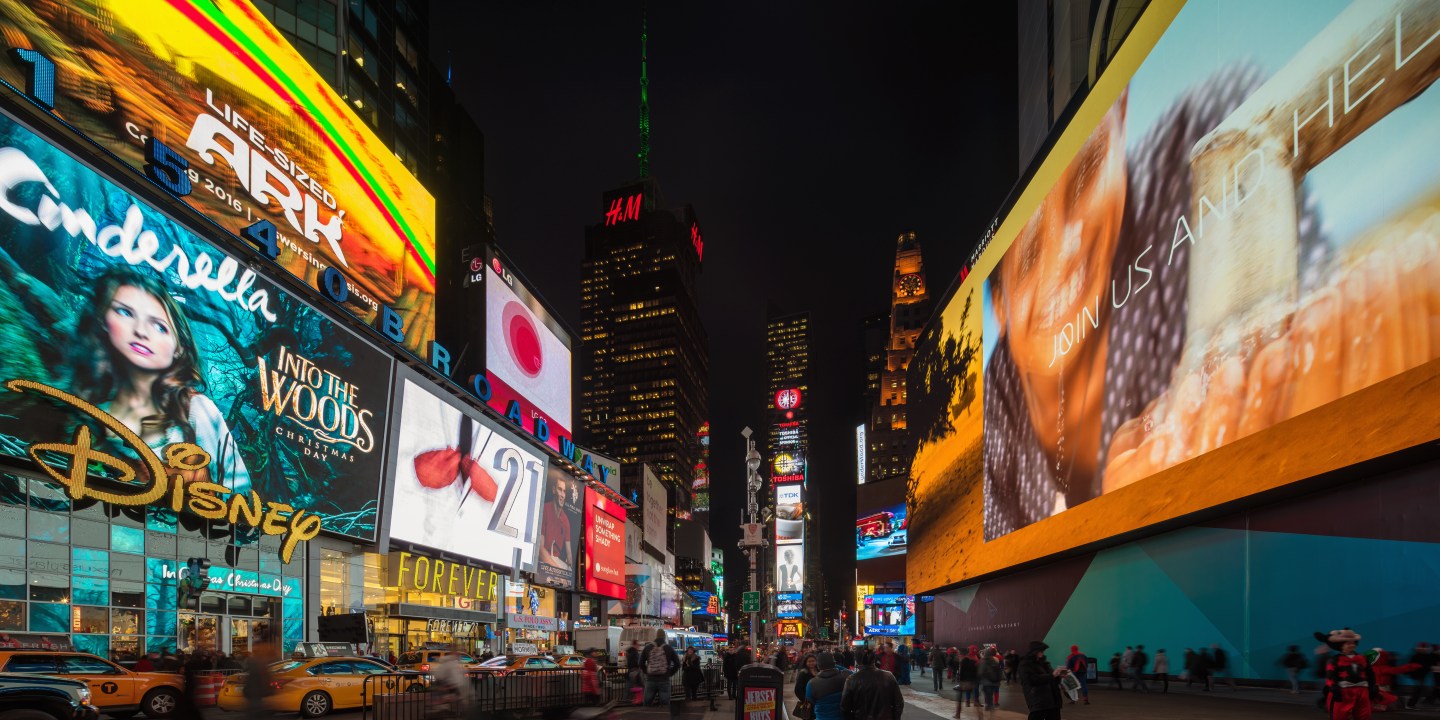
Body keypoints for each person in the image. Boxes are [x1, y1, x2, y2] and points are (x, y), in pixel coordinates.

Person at [72, 266, 251, 492]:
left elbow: (239, 492)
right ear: (100, 322)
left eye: (159, 326)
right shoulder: (81, 412)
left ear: (179, 348)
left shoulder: (195, 409)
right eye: (125, 312)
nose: (141, 331)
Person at [1317, 629, 1378, 719]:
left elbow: (1370, 673)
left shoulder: (1362, 658)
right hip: (1344, 692)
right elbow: (1330, 676)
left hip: (1362, 691)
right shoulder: (1334, 660)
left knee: (1364, 714)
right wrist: (1334, 688)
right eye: (1348, 643)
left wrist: (1373, 686)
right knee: (1340, 715)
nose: (1352, 645)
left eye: (1353, 643)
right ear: (1341, 645)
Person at [840, 649, 903, 720]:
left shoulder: (852, 679)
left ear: (856, 661)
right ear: (874, 659)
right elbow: (899, 703)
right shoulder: (889, 676)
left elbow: (845, 707)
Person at [1018, 641, 1064, 720]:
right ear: (1034, 651)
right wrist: (1052, 675)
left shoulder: (1045, 663)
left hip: (1053, 700)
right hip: (1038, 700)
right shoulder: (1025, 664)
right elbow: (1031, 680)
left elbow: (1051, 678)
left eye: (1043, 651)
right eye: (1040, 651)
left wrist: (1059, 676)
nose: (1042, 653)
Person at [641, 629, 681, 710]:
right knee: (665, 705)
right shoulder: (669, 648)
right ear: (664, 637)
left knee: (647, 704)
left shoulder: (648, 647)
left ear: (656, 636)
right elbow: (677, 664)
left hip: (650, 680)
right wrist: (669, 673)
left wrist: (647, 672)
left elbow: (641, 663)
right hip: (664, 679)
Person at [807, 652, 852, 720]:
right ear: (834, 663)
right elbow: (854, 674)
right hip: (842, 717)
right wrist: (834, 666)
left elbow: (810, 700)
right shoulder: (845, 676)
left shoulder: (811, 683)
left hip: (822, 717)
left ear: (818, 666)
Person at [242, 643, 276, 720]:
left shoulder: (254, 661)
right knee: (256, 709)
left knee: (254, 709)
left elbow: (252, 676)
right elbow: (263, 676)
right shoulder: (259, 662)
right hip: (256, 690)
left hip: (254, 690)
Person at [1404, 642, 1434, 709]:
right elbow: (1412, 666)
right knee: (1418, 689)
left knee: (1419, 689)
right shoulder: (1417, 656)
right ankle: (1410, 704)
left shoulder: (1423, 656)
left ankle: (1411, 704)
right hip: (1418, 675)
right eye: (1423, 648)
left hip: (1421, 675)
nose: (1424, 649)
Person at [793, 653, 819, 719]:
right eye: (809, 661)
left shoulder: (819, 671)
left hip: (818, 701)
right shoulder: (803, 673)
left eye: (813, 661)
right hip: (808, 703)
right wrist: (805, 700)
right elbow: (797, 690)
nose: (811, 663)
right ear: (806, 662)